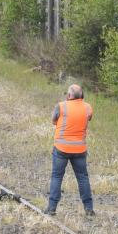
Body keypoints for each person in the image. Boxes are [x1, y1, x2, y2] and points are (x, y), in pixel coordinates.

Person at [45, 84, 95, 217]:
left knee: (57, 176)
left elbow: (53, 121)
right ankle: (89, 209)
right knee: (83, 177)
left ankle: (51, 208)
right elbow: (89, 117)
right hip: (79, 149)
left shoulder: (61, 106)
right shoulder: (87, 107)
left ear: (69, 95)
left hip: (61, 148)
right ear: (82, 96)